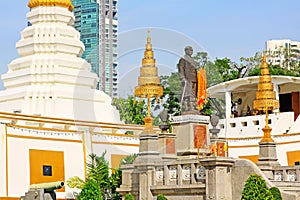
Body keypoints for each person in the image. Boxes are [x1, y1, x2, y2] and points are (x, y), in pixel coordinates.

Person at [178, 46, 198, 112]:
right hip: (187, 79)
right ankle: (188, 107)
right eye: (189, 50)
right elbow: (181, 69)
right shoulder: (183, 59)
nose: (191, 52)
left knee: (194, 93)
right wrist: (182, 77)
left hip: (194, 78)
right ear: (186, 51)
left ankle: (194, 105)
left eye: (192, 50)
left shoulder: (193, 61)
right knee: (188, 93)